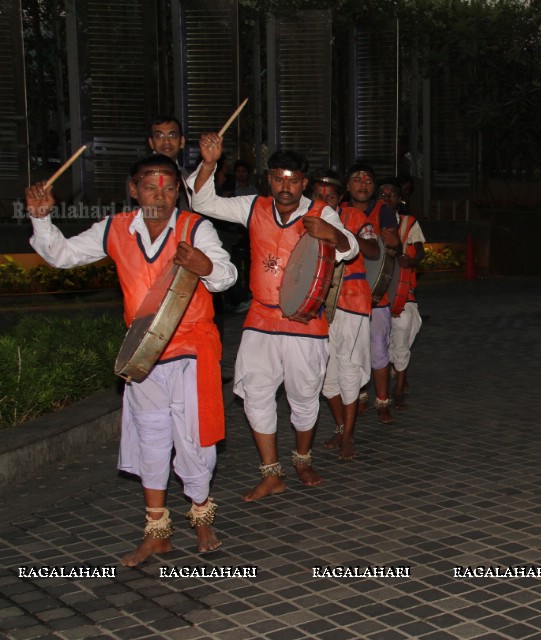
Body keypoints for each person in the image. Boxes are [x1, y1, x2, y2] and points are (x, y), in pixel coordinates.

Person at [26, 154, 238, 566]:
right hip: (142, 355)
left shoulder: (197, 227)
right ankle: (156, 531)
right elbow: (62, 255)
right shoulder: (115, 228)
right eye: (150, 185)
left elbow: (226, 275)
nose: (161, 194)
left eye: (169, 186)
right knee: (152, 439)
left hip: (192, 350)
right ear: (133, 189)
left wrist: (206, 265)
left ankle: (200, 515)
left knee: (195, 441)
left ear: (179, 190)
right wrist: (39, 219)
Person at [188, 134, 359, 501]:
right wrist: (208, 163)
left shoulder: (320, 211)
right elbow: (202, 201)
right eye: (279, 179)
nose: (286, 187)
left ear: (304, 182)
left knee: (304, 397)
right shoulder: (253, 206)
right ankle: (271, 472)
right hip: (261, 319)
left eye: (294, 180)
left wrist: (332, 233)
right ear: (269, 179)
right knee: (256, 395)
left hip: (305, 323)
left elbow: (351, 247)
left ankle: (301, 458)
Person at [310, 170, 381, 461]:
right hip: (317, 305)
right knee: (326, 378)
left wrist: (344, 235)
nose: (324, 201)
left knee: (350, 370)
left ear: (340, 199)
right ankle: (341, 426)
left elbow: (374, 249)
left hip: (351, 302)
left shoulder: (354, 217)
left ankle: (348, 436)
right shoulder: (304, 218)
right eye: (318, 196)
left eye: (330, 197)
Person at [338, 164, 401, 425]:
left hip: (375, 295)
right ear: (348, 185)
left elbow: (394, 243)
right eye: (357, 179)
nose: (363, 184)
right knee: (349, 351)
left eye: (368, 181)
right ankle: (359, 396)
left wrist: (391, 241)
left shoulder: (383, 211)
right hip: (344, 295)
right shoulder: (337, 210)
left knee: (377, 350)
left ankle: (382, 401)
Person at [378, 177, 425, 408]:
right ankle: (375, 393)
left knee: (401, 341)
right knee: (376, 345)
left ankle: (398, 391)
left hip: (402, 294)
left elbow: (420, 252)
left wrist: (411, 260)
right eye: (383, 194)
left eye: (392, 194)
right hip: (374, 296)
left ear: (399, 199)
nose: (387, 198)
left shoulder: (408, 223)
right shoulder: (366, 222)